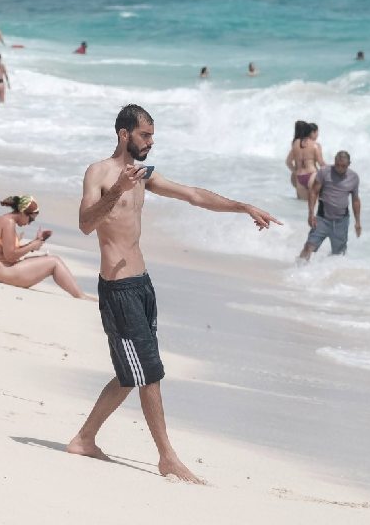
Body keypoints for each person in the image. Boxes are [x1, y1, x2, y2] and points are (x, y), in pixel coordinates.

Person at [68, 104, 281, 483]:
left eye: (152, 135)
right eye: (145, 135)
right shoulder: (98, 173)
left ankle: (84, 439)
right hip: (118, 290)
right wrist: (117, 190)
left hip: (142, 286)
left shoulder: (144, 175)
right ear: (124, 134)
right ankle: (167, 457)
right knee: (148, 371)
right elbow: (85, 223)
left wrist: (242, 207)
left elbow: (193, 195)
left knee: (131, 373)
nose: (151, 142)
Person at [0, 196, 91, 299]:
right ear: (23, 213)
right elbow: (10, 256)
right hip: (1, 270)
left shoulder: (4, 220)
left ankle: (80, 295)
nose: (29, 223)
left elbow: (8, 252)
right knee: (54, 262)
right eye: (30, 219)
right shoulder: (8, 223)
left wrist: (34, 243)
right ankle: (81, 296)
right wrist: (32, 245)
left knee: (46, 259)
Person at [297, 151, 361, 260]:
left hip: (341, 221)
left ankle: (333, 270)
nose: (339, 168)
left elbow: (355, 200)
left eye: (343, 166)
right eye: (337, 165)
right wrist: (311, 214)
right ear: (334, 161)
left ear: (349, 164)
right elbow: (313, 192)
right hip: (322, 219)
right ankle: (298, 267)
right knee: (309, 246)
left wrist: (357, 222)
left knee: (339, 254)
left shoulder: (354, 177)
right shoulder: (324, 172)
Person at [285, 121, 325, 200]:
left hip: (299, 176)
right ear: (312, 132)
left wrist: (295, 171)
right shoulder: (315, 145)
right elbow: (321, 163)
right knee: (313, 204)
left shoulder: (296, 143)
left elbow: (288, 162)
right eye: (317, 132)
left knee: (301, 204)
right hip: (312, 175)